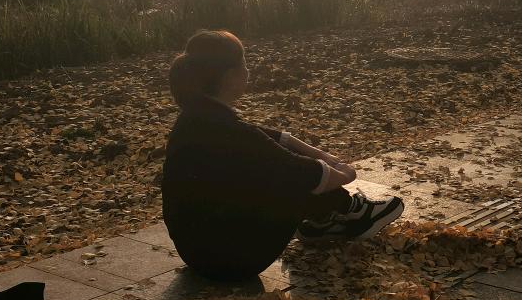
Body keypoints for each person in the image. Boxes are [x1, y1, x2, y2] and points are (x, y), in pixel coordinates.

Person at [161, 29, 404, 280]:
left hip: (195, 252)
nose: (248, 71)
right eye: (244, 65)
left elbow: (268, 137)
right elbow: (305, 173)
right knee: (286, 176)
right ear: (231, 77)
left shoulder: (195, 120)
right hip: (232, 260)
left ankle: (324, 219)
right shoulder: (231, 132)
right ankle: (354, 210)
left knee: (270, 167)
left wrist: (319, 152)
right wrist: (344, 173)